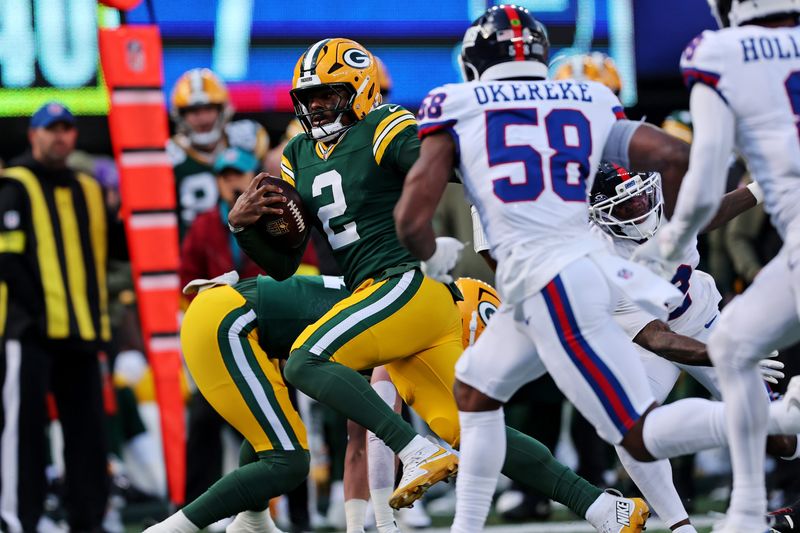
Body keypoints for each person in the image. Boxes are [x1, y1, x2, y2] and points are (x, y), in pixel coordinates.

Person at [393, 6, 800, 532]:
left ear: (472, 66)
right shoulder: (587, 105)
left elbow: (414, 215)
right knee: (476, 389)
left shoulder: (456, 105)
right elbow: (675, 159)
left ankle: (777, 417)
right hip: (576, 286)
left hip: (571, 283)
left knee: (639, 431)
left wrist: (431, 254)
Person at [229, 38, 652, 532]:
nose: (317, 105)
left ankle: (415, 452)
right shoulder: (298, 153)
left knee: (304, 360)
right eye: (310, 97)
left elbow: (459, 171)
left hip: (404, 286)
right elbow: (283, 265)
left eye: (329, 93)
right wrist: (242, 226)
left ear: (360, 89)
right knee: (469, 426)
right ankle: (604, 507)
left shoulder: (387, 128)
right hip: (374, 297)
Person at [632, 1, 800, 530]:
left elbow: (703, 188)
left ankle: (747, 512)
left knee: (736, 364)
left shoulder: (719, 51)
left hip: (701, 300)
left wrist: (677, 232)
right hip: (652, 321)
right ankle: (739, 513)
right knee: (729, 354)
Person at [0, 102, 120, 532]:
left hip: (83, 331)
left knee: (89, 435)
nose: (60, 137)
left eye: (68, 129)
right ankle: (18, 520)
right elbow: (8, 260)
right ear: (34, 135)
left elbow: (110, 255)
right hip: (30, 331)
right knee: (24, 435)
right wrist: (39, 309)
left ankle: (89, 520)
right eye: (51, 129)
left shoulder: (89, 188)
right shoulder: (15, 183)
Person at [168, 68, 269, 237]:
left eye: (208, 108)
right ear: (181, 115)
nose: (202, 118)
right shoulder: (170, 155)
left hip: (246, 240)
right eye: (193, 111)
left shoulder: (246, 137)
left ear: (222, 109)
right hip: (194, 248)